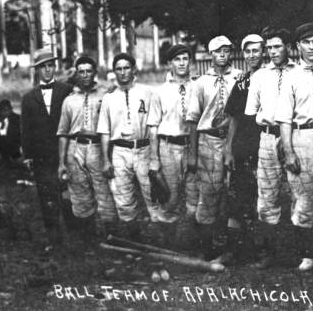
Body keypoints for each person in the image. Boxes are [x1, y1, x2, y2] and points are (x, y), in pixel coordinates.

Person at [275, 22, 313, 271]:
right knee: (304, 197)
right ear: (298, 46)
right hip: (303, 137)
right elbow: (284, 119)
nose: (312, 47)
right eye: (306, 42)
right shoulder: (291, 77)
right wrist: (289, 151)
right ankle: (307, 255)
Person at [244, 27, 297, 268]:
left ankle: (301, 252)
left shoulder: (299, 73)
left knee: (300, 192)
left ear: (288, 46)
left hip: (295, 137)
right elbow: (251, 113)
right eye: (270, 47)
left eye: (278, 46)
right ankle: (268, 253)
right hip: (267, 136)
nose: (274, 51)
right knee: (267, 195)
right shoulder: (260, 76)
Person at [185, 35, 242, 260]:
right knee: (209, 192)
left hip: (232, 139)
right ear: (210, 54)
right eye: (218, 51)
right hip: (208, 140)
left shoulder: (239, 77)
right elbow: (192, 120)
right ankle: (206, 247)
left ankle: (232, 248)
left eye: (226, 50)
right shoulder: (200, 83)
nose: (222, 55)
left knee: (233, 191)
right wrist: (192, 154)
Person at [98, 53, 161, 240]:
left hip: (143, 148)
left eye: (126, 68)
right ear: (114, 71)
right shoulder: (109, 98)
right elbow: (104, 132)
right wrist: (106, 160)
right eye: (119, 68)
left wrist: (154, 157)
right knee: (124, 198)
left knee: (152, 194)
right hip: (120, 151)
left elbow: (153, 127)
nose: (123, 72)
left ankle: (160, 241)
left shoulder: (147, 92)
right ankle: (135, 241)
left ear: (133, 70)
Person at [57, 55, 118, 241]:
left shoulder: (105, 94)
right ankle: (88, 237)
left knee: (103, 190)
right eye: (81, 71)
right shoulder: (69, 100)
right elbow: (63, 132)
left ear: (94, 73)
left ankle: (112, 235)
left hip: (97, 147)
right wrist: (61, 163)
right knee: (79, 191)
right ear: (76, 74)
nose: (85, 75)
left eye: (88, 71)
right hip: (75, 148)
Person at [20, 48, 75, 246]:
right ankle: (54, 239)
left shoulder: (66, 90)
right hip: (42, 156)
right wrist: (27, 155)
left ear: (55, 67)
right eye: (43, 67)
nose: (47, 70)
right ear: (37, 70)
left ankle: (75, 237)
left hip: (65, 153)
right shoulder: (28, 98)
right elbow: (25, 128)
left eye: (50, 65)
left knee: (69, 194)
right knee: (47, 197)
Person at [222, 34, 265, 263]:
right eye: (247, 52)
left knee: (263, 200)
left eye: (256, 51)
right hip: (242, 146)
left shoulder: (271, 78)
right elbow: (234, 118)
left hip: (264, 145)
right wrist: (228, 148)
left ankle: (262, 250)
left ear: (263, 52)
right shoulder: (241, 82)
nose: (251, 56)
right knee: (238, 197)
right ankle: (234, 250)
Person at [147, 45, 196, 224]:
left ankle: (192, 239)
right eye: (177, 59)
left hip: (192, 146)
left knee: (194, 195)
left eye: (185, 58)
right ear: (169, 63)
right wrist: (154, 159)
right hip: (168, 147)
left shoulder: (198, 87)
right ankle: (168, 236)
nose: (182, 63)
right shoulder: (160, 91)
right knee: (171, 196)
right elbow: (153, 127)